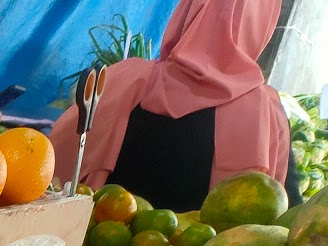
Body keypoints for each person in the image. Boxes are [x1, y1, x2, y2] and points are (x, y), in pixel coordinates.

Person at [50, 0, 296, 212]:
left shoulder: (120, 81)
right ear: (260, 25)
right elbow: (282, 221)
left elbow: (50, 170)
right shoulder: (267, 117)